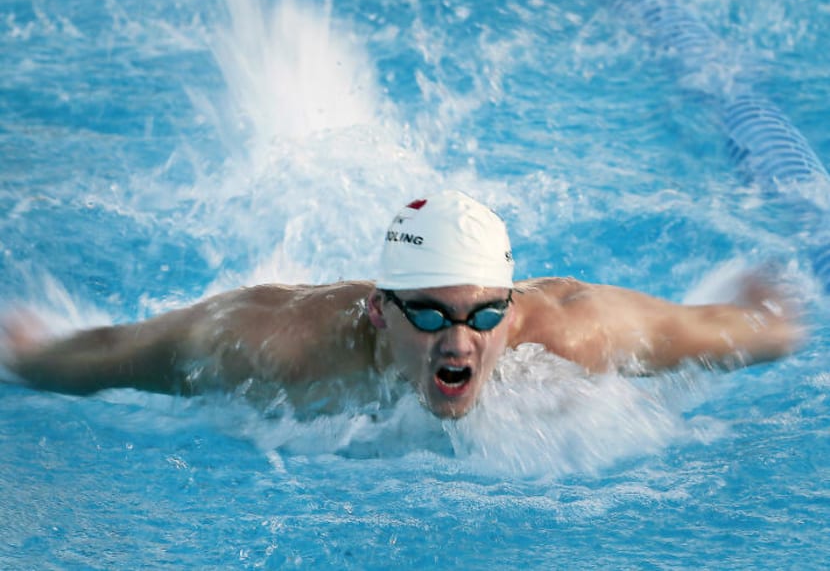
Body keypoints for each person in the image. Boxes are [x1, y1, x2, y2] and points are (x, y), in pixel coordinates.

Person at [1, 190, 804, 419]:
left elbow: (720, 332)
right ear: (382, 312)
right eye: (430, 314)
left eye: (484, 313)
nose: (460, 339)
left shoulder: (567, 330)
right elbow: (115, 354)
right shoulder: (274, 344)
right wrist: (32, 355)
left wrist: (770, 322)